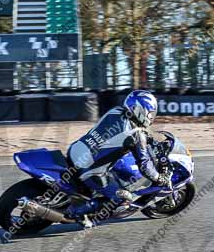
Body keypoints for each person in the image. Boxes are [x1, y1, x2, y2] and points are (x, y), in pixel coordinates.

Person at [65, 90, 171, 225]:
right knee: (124, 198)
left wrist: (148, 139)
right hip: (88, 169)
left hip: (75, 150)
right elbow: (145, 165)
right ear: (140, 110)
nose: (151, 117)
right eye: (150, 114)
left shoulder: (115, 111)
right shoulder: (136, 135)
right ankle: (76, 212)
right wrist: (159, 178)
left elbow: (115, 136)